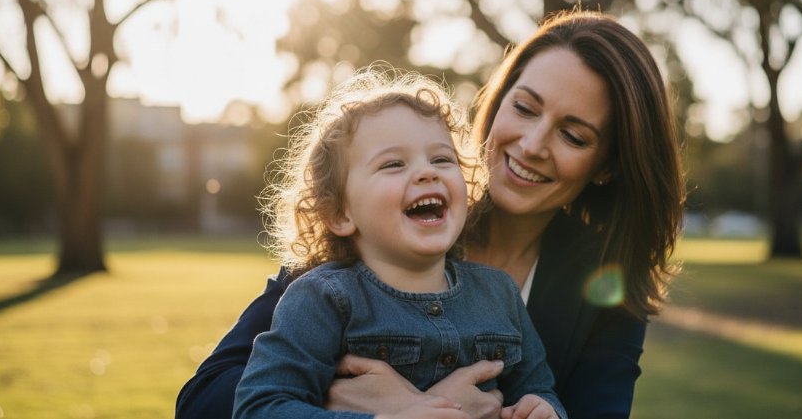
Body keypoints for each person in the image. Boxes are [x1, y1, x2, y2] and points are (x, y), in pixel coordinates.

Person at [177, 10, 685, 419]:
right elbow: (206, 401)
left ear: (607, 166)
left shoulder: (606, 283)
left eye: (573, 136)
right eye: (525, 108)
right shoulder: (382, 226)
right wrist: (375, 406)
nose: (532, 145)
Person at [232, 69, 566, 419]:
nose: (428, 172)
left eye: (441, 159)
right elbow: (261, 407)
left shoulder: (499, 293)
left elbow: (539, 388)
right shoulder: (323, 299)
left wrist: (543, 409)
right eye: (393, 164)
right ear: (340, 214)